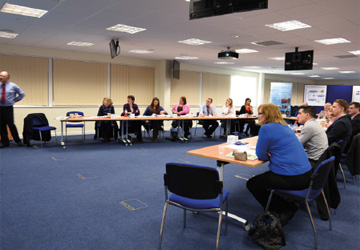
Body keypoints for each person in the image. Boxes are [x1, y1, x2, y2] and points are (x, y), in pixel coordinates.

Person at [246, 104, 312, 227]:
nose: (257, 116)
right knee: (264, 179)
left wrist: (269, 154)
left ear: (267, 115)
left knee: (253, 183)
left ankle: (284, 209)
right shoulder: (285, 126)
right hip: (306, 175)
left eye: (260, 113)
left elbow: (261, 156)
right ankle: (285, 204)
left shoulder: (266, 128)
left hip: (293, 178)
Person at [0, 71, 25, 148]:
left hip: (8, 108)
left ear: (7, 78)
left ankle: (18, 141)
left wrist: (14, 100)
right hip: (0, 108)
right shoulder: (0, 86)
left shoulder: (13, 86)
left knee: (11, 125)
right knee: (1, 125)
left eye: (3, 76)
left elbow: (22, 94)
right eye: (0, 75)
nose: (0, 77)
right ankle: (5, 142)